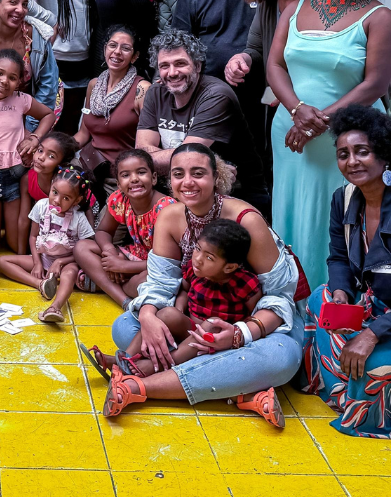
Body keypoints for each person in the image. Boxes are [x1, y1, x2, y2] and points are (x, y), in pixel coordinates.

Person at [86, 143, 302, 427]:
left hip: (253, 324)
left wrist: (238, 335)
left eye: (198, 173)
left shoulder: (245, 219)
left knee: (279, 358)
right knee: (126, 326)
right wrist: (150, 315)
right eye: (178, 174)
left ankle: (140, 386)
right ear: (170, 180)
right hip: (197, 322)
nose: (187, 182)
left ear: (216, 178)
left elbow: (278, 298)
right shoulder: (170, 216)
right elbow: (162, 283)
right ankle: (238, 390)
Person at [267, 0, 391, 290]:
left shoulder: (379, 17)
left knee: (339, 220)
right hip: (291, 134)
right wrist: (296, 111)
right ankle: (289, 301)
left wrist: (317, 120)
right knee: (292, 214)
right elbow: (275, 67)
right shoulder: (294, 9)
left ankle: (336, 308)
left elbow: (374, 84)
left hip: (347, 141)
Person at [300, 107, 391, 437]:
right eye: (343, 154)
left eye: (362, 152)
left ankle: (358, 390)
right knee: (319, 300)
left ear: (384, 154)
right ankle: (344, 385)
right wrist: (341, 294)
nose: (352, 161)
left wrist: (371, 334)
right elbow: (337, 257)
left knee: (380, 369)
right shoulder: (344, 199)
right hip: (373, 304)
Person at [99, 219, 263, 379]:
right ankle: (125, 359)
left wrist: (236, 336)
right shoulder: (196, 271)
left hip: (218, 340)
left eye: (209, 257)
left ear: (229, 267)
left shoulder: (244, 283)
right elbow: (184, 290)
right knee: (168, 313)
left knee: (212, 324)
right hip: (191, 329)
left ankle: (162, 365)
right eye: (198, 249)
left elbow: (254, 313)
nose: (198, 258)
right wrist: (178, 310)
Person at [137, 29, 268, 213]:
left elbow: (185, 158)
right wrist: (214, 163)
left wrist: (155, 159)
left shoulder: (216, 95)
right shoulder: (155, 92)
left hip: (236, 196)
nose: (172, 73)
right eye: (164, 66)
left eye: (180, 63)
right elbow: (141, 154)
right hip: (184, 191)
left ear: (197, 66)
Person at [224, 0, 310, 182]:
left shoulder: (318, 2)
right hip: (283, 105)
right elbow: (256, 49)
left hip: (316, 106)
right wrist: (240, 60)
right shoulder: (268, 3)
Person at [0, 49, 57, 254]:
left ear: (19, 82)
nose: (4, 81)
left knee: (18, 244)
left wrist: (35, 138)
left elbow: (48, 115)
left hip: (16, 178)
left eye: (12, 77)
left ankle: (7, 226)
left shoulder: (21, 100)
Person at [21, 0, 96, 131]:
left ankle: (67, 163)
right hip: (56, 59)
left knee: (74, 120)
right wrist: (49, 19)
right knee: (50, 120)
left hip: (84, 58)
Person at [74, 148, 176, 306]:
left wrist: (123, 266)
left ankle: (105, 282)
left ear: (154, 178)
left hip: (155, 266)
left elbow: (169, 261)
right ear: (119, 184)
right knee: (82, 247)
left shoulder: (166, 208)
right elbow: (103, 231)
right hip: (134, 255)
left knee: (146, 280)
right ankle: (124, 300)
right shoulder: (120, 199)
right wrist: (110, 253)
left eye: (141, 172)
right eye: (125, 175)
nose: (134, 179)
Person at [0, 167, 95, 323]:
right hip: (43, 258)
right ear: (50, 187)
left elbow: (87, 250)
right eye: (55, 192)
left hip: (67, 262)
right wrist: (36, 263)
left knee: (69, 274)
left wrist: (60, 262)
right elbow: (33, 236)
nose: (56, 200)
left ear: (77, 201)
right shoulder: (41, 206)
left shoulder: (79, 218)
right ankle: (41, 284)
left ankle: (55, 307)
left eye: (66, 198)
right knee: (1, 261)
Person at [74, 26, 152, 189]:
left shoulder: (142, 89)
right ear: (104, 49)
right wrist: (57, 148)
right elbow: (83, 134)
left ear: (135, 56)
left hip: (120, 177)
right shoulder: (93, 85)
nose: (117, 52)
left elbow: (146, 146)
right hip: (90, 166)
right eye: (112, 45)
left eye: (125, 48)